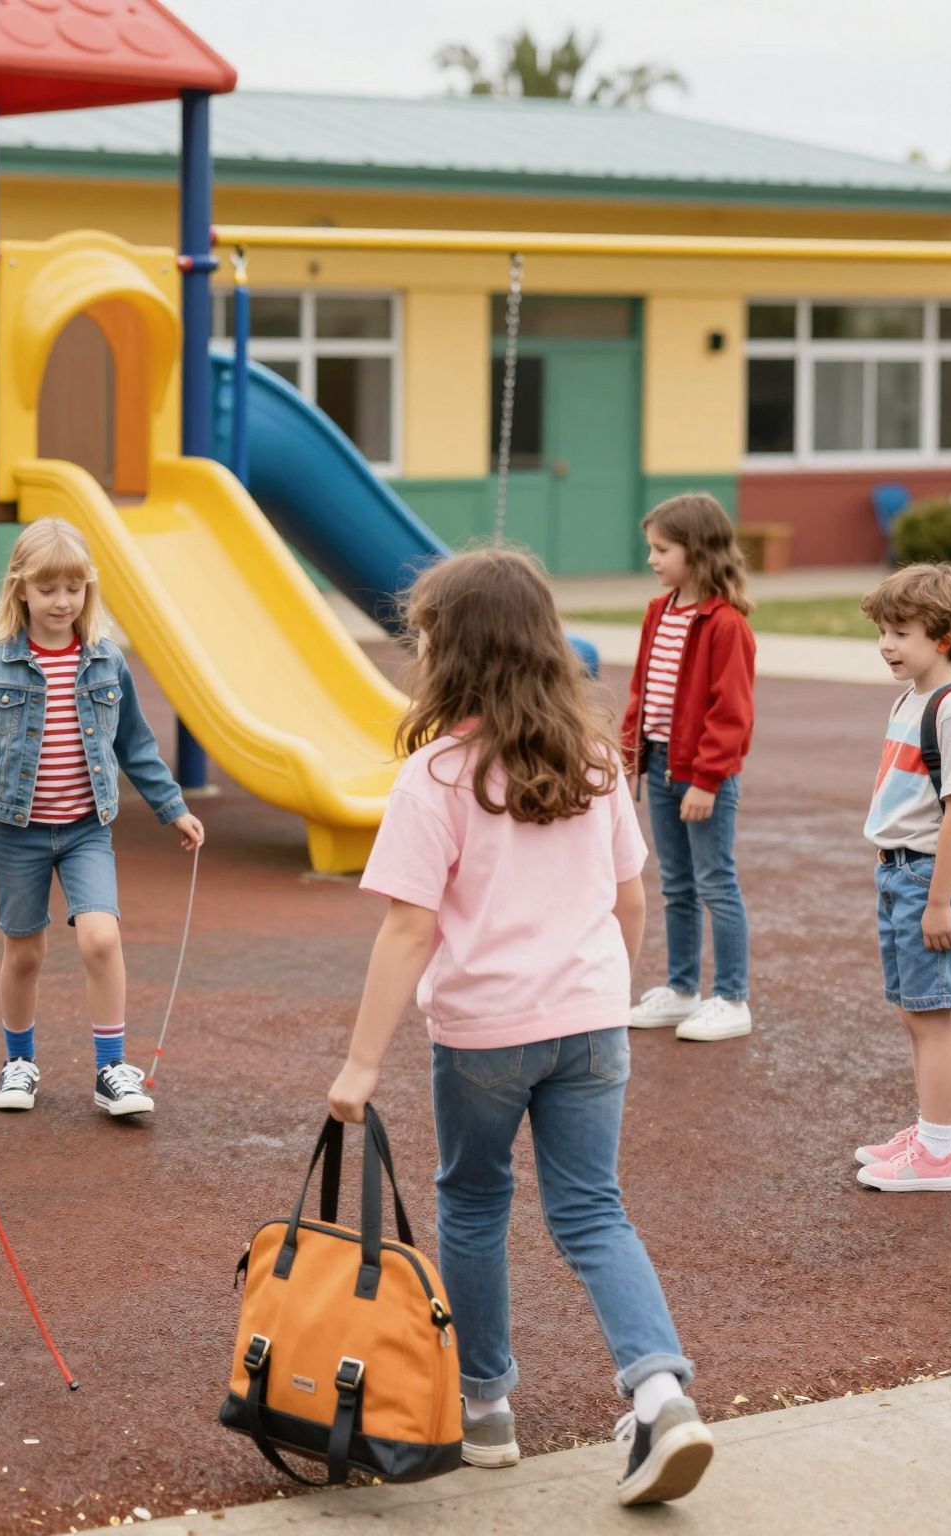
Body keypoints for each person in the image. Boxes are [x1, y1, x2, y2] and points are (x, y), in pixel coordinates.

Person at [325, 548, 713, 1508]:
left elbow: (409, 928)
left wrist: (360, 1066)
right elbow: (630, 899)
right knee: (592, 1210)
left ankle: (488, 1411)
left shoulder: (437, 775)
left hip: (484, 1033)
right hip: (591, 1019)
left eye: (424, 636)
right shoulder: (595, 759)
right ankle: (660, 1395)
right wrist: (605, 992)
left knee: (472, 1203)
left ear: (454, 652)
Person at [0, 518, 203, 1118]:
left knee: (101, 938)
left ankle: (112, 1068)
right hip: (19, 834)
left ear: (89, 589)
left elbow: (136, 746)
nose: (62, 601)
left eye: (74, 588)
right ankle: (19, 1061)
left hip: (87, 830)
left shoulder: (106, 662)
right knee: (25, 953)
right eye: (48, 589)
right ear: (20, 590)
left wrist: (174, 808)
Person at [856, 563, 951, 1194]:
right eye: (883, 631)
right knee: (914, 1012)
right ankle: (941, 1134)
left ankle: (935, 1155)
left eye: (901, 633)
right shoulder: (911, 699)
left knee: (932, 1017)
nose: (887, 645)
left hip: (924, 877)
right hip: (897, 872)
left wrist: (937, 903)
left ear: (943, 636)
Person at [622, 493, 758, 1042]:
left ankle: (732, 997)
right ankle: (682, 990)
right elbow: (640, 692)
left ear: (696, 550)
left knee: (715, 882)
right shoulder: (658, 611)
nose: (652, 559)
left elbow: (732, 713)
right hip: (660, 767)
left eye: (662, 549)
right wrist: (629, 757)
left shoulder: (726, 625)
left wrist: (706, 781)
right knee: (676, 885)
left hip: (703, 778)